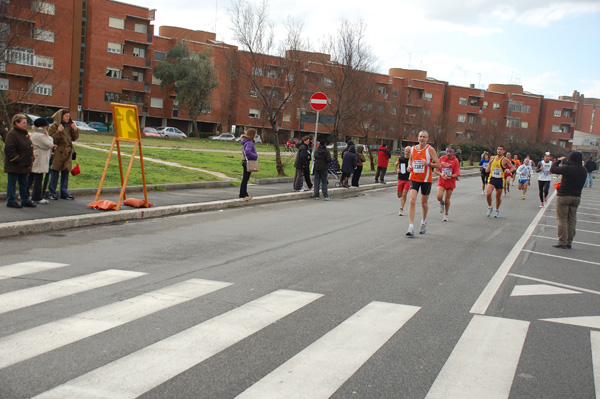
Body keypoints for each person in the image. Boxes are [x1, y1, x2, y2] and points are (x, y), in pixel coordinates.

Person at [406, 130, 440, 236]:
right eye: (420, 136)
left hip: (426, 179)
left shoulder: (430, 149)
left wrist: (428, 164)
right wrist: (409, 166)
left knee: (424, 203)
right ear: (417, 137)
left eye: (424, 137)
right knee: (412, 201)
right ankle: (411, 227)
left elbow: (438, 165)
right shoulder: (412, 149)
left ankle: (423, 221)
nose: (422, 138)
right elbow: (410, 160)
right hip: (414, 178)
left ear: (427, 139)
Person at [549, 152, 587, 248]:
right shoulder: (583, 170)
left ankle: (562, 241)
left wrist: (558, 160)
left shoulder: (567, 168)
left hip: (564, 195)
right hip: (576, 196)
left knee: (562, 219)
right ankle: (569, 241)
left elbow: (553, 169)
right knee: (572, 219)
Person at [4, 114, 36, 208]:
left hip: (24, 165)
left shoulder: (24, 134)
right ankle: (11, 200)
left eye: (26, 123)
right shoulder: (12, 134)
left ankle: (24, 200)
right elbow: (9, 149)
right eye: (23, 123)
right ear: (16, 123)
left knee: (23, 183)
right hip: (15, 164)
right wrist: (17, 159)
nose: (26, 124)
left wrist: (31, 158)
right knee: (12, 183)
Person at [48, 109, 79, 200]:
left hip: (68, 152)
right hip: (59, 151)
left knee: (66, 172)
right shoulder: (54, 126)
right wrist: (59, 131)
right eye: (66, 116)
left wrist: (75, 129)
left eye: (69, 116)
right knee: (55, 172)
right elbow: (52, 139)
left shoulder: (69, 126)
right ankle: (52, 192)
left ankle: (64, 192)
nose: (68, 118)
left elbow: (74, 138)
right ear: (60, 117)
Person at [485, 145, 516, 218]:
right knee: (488, 193)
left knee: (497, 197)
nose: (499, 151)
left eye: (501, 149)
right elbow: (489, 164)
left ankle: (497, 210)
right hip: (492, 178)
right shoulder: (493, 158)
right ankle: (490, 207)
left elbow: (513, 168)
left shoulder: (505, 160)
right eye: (498, 149)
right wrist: (488, 168)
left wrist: (509, 171)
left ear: (503, 151)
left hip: (500, 180)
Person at [29, 117, 55, 205]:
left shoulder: (34, 134)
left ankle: (25, 194)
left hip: (37, 157)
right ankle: (36, 197)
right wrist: (48, 137)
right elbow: (49, 144)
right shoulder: (40, 135)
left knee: (31, 177)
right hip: (40, 158)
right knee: (38, 178)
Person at [434, 145, 461, 222]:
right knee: (439, 196)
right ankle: (441, 202)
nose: (448, 153)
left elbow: (457, 174)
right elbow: (436, 170)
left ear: (453, 152)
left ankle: (446, 214)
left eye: (450, 152)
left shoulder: (455, 160)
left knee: (447, 199)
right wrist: (441, 174)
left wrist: (450, 175)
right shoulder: (442, 158)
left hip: (450, 182)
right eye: (447, 152)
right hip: (442, 181)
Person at [239, 128, 258, 200]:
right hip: (248, 162)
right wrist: (255, 156)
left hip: (245, 161)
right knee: (245, 179)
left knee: (245, 179)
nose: (256, 135)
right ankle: (243, 194)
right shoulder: (250, 143)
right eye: (255, 134)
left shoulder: (245, 142)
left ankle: (244, 193)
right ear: (252, 134)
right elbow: (247, 152)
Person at [394, 146, 411, 216]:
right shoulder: (400, 158)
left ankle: (401, 208)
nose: (407, 153)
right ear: (404, 151)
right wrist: (397, 169)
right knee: (399, 195)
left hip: (408, 179)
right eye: (406, 151)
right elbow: (395, 165)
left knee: (404, 193)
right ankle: (402, 200)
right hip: (400, 178)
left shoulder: (411, 160)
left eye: (409, 152)